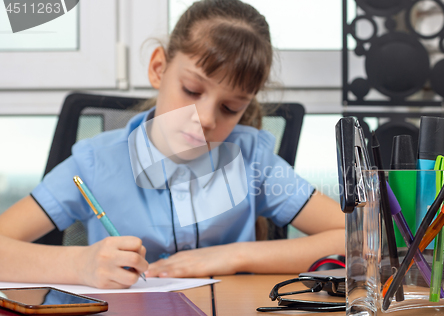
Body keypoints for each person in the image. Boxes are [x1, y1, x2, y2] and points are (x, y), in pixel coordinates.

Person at [0, 0, 345, 289]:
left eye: (230, 108)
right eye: (192, 91)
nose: (207, 118)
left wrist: (233, 255)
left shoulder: (253, 160)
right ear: (158, 68)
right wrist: (81, 265)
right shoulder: (95, 163)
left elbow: (358, 234)